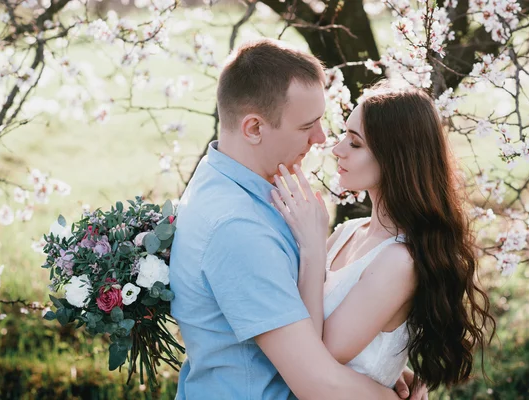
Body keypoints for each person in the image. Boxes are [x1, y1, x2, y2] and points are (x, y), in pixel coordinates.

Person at [169, 40, 426, 399]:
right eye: (307, 126)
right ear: (254, 128)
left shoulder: (227, 183)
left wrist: (380, 365)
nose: (322, 140)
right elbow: (316, 382)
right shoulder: (238, 228)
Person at [272, 81, 496, 395]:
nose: (337, 149)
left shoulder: (400, 261)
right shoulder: (347, 232)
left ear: (395, 157)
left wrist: (311, 248)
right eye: (344, 136)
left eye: (355, 143)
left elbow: (315, 360)